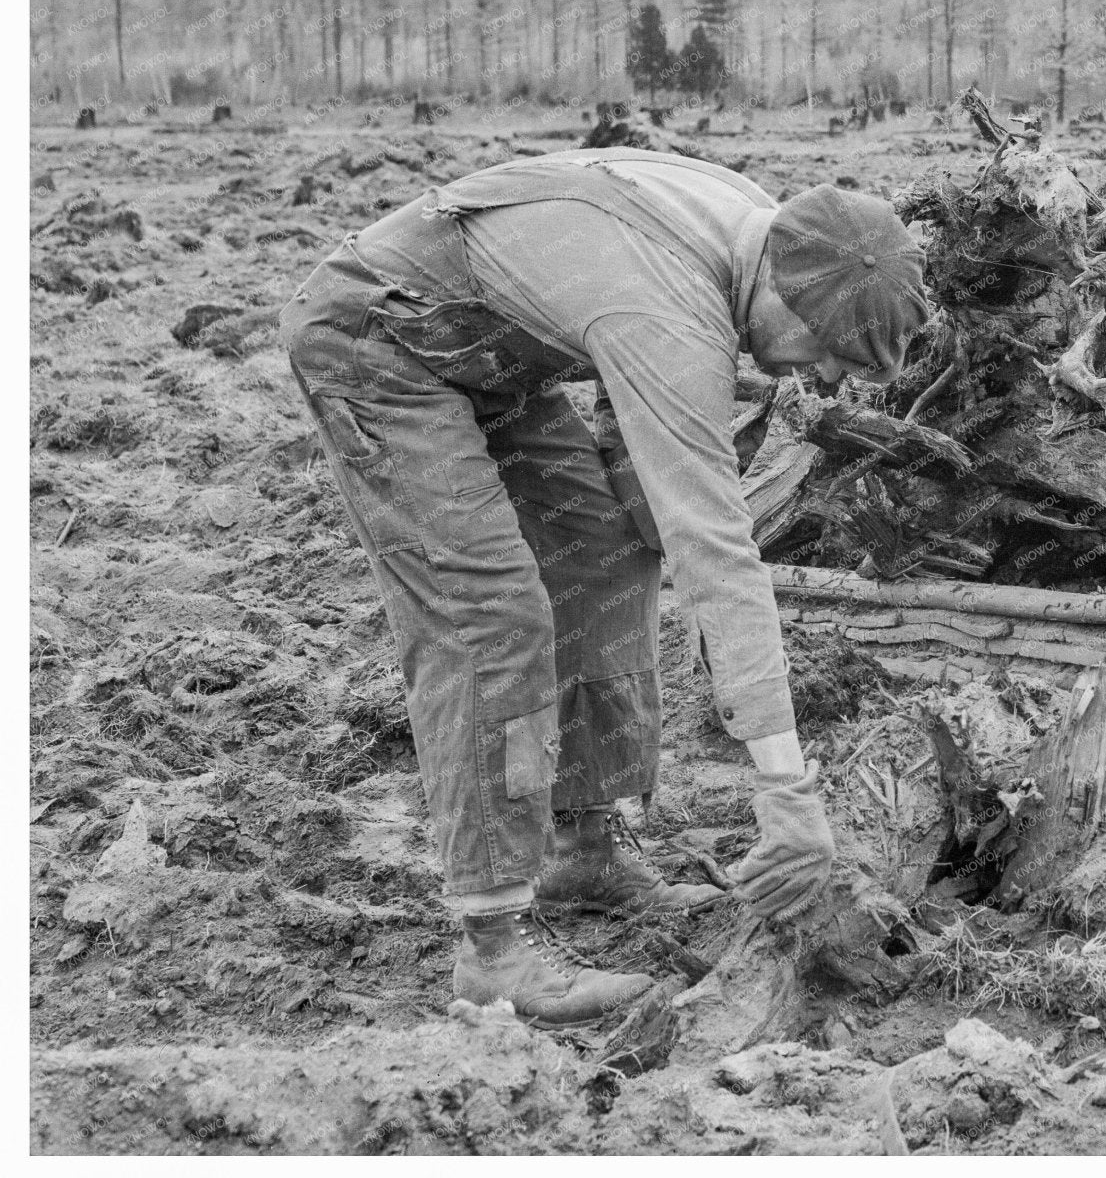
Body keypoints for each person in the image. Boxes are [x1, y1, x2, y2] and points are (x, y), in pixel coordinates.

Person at [280, 148, 931, 1025]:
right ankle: (493, 952)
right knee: (490, 617)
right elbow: (718, 551)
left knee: (606, 544)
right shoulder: (667, 311)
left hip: (494, 349)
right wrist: (786, 786)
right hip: (381, 338)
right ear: (780, 289)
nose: (824, 379)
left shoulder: (759, 229)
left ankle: (582, 843)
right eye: (828, 351)